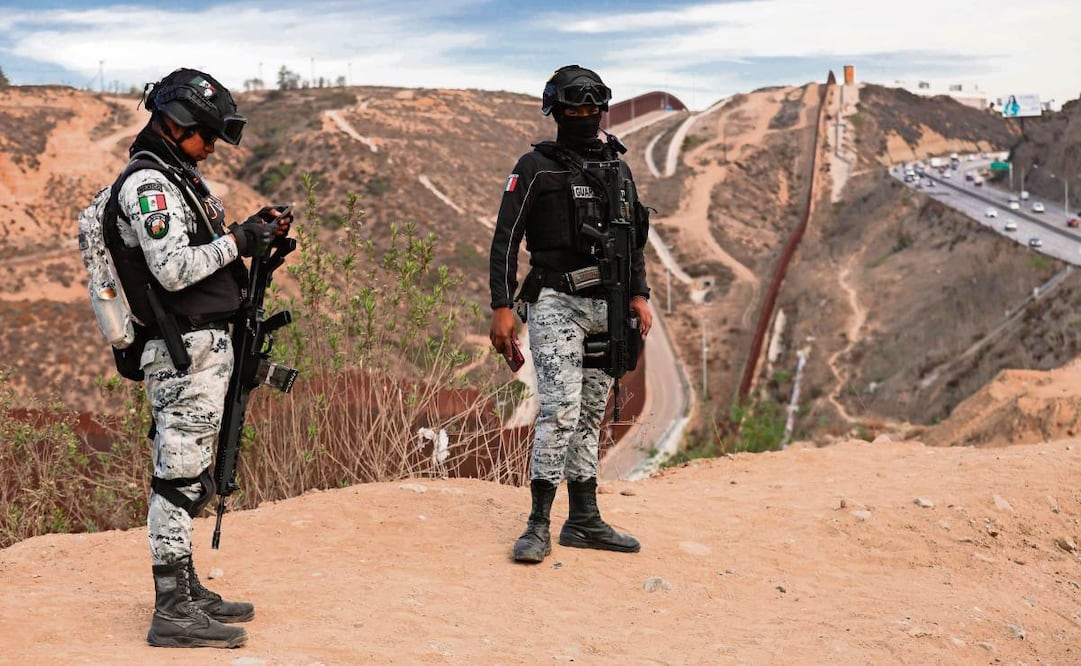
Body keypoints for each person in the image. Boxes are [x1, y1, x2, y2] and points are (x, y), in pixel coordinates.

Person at [114, 68, 291, 648]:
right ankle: (171, 610)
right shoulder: (149, 186)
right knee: (177, 477)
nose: (212, 147)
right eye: (206, 135)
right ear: (176, 122)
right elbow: (172, 270)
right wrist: (238, 241)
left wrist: (259, 244)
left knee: (190, 473)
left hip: (204, 346)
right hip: (180, 352)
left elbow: (207, 261)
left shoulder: (180, 177)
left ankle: (186, 588)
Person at [488, 65, 653, 564]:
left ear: (601, 110)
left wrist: (639, 295)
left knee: (589, 417)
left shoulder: (618, 169)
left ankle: (583, 520)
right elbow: (506, 240)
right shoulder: (536, 167)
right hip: (556, 302)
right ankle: (538, 524)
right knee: (559, 410)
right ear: (556, 111)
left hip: (609, 308)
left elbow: (632, 240)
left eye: (590, 108)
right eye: (572, 108)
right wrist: (501, 305)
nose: (582, 116)